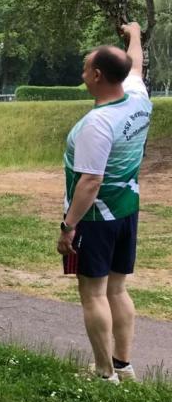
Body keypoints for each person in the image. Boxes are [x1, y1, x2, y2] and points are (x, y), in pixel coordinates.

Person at [57, 22, 152, 383]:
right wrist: (135, 35)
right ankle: (123, 366)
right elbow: (135, 64)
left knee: (94, 294)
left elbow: (90, 182)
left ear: (97, 75)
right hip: (127, 212)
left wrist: (68, 227)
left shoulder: (97, 123)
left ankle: (103, 373)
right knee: (118, 289)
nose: (82, 73)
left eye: (85, 68)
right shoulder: (138, 97)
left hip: (96, 219)